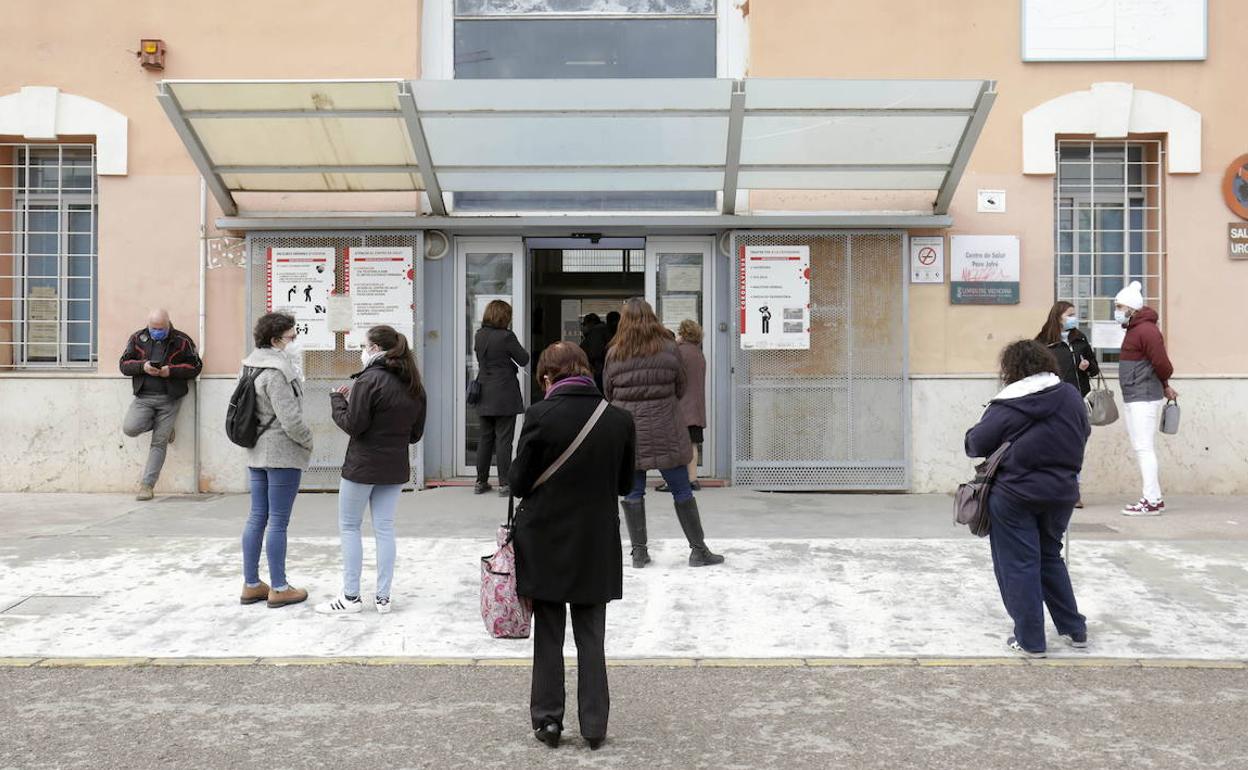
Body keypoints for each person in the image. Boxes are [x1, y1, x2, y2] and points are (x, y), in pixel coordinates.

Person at [510, 342, 635, 751]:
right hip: (595, 541)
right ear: (584, 369)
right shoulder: (618, 419)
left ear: (548, 377)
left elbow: (519, 483)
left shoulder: (539, 416)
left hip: (545, 540)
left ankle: (548, 722)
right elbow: (624, 484)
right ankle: (595, 724)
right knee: (591, 635)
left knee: (549, 633)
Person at [965, 339, 1090, 658]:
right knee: (1049, 556)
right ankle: (1074, 629)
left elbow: (976, 444)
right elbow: (1084, 431)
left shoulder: (1009, 402)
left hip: (1015, 493)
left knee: (1019, 563)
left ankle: (1031, 639)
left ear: (1011, 370)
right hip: (1062, 492)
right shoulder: (1070, 395)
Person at [604, 298, 723, 569]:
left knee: (633, 491)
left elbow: (608, 392)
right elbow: (681, 387)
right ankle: (698, 550)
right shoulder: (670, 348)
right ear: (652, 319)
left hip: (629, 431)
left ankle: (638, 553)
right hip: (666, 427)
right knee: (681, 489)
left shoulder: (614, 353)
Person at [317, 325, 427, 615]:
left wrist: (337, 401)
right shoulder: (413, 383)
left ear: (376, 349)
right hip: (394, 467)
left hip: (362, 467)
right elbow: (415, 434)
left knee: (350, 527)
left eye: (363, 345)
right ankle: (383, 597)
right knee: (385, 529)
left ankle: (351, 597)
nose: (361, 351)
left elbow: (354, 425)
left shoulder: (369, 381)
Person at [239, 312, 313, 609]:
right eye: (291, 337)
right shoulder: (276, 371)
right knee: (278, 522)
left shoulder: (249, 365)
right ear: (275, 340)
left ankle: (252, 584)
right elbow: (290, 419)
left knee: (257, 516)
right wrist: (309, 440)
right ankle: (280, 588)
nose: (295, 342)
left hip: (256, 450)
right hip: (281, 452)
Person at [119, 308, 202, 501]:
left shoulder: (182, 340)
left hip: (170, 399)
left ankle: (147, 486)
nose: (157, 331)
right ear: (148, 325)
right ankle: (162, 427)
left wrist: (170, 371)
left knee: (159, 442)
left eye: (161, 328)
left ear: (168, 324)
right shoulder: (137, 338)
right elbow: (123, 365)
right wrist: (143, 366)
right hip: (144, 397)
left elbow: (196, 366)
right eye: (153, 328)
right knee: (130, 428)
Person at [1114, 281, 1177, 516]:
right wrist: (1164, 386)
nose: (1117, 311)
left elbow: (1161, 363)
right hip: (1136, 394)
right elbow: (1151, 364)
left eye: (1119, 307)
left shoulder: (1146, 330)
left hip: (1143, 396)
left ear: (1131, 308)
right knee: (1141, 447)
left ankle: (1151, 500)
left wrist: (1165, 382)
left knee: (1144, 448)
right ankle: (1154, 498)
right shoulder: (1135, 329)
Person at [1036, 301, 1099, 508]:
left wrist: (1087, 366)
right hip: (1054, 400)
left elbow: (1094, 370)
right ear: (1058, 317)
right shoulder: (1043, 342)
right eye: (1070, 314)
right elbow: (1034, 372)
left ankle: (1073, 491)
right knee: (1054, 445)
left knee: (1076, 445)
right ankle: (1050, 488)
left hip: (1079, 400)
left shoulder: (1079, 340)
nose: (1074, 318)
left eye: (1075, 314)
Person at [473, 300, 529, 497]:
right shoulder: (506, 336)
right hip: (504, 392)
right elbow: (523, 358)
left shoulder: (479, 335)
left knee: (485, 438)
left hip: (483, 390)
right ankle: (505, 483)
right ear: (505, 317)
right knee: (504, 440)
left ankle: (480, 482)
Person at [658, 319, 706, 493]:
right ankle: (693, 480)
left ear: (683, 333)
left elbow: (670, 376)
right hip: (696, 407)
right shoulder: (699, 353)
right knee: (692, 444)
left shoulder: (679, 352)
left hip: (680, 406)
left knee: (675, 445)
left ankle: (674, 482)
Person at [578, 313, 610, 390]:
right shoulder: (604, 332)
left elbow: (594, 353)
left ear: (590, 324)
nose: (582, 327)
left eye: (584, 324)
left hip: (598, 373)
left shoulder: (595, 334)